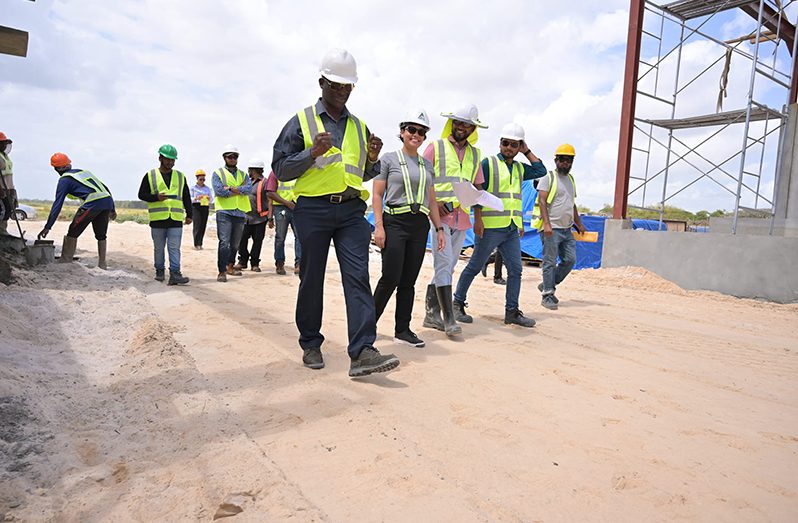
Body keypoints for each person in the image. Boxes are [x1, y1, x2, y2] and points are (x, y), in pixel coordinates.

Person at [272, 48, 399, 378]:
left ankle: (362, 351)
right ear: (322, 83)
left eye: (347, 87)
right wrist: (312, 152)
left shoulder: (359, 126)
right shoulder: (301, 122)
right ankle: (311, 343)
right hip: (311, 210)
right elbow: (281, 170)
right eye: (336, 85)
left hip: (351, 213)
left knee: (357, 277)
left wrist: (372, 160)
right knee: (311, 278)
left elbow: (360, 173)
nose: (342, 92)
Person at [453, 123, 547, 328]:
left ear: (519, 146)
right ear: (500, 143)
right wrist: (477, 220)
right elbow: (478, 192)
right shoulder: (488, 164)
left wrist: (527, 151)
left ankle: (511, 312)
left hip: (512, 228)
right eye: (506, 143)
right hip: (489, 227)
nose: (509, 148)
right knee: (475, 266)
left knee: (515, 270)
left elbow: (541, 170)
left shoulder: (521, 168)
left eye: (514, 145)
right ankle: (457, 303)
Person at [372, 109, 446, 348]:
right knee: (390, 277)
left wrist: (439, 229)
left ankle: (402, 330)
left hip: (419, 225)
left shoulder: (427, 165)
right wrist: (379, 228)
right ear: (402, 132)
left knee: (408, 281)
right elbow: (377, 194)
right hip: (394, 222)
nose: (416, 135)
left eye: (421, 132)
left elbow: (431, 199)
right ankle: (367, 324)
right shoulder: (388, 159)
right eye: (412, 130)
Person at [421, 104, 487, 337]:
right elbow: (421, 178)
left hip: (462, 218)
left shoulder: (475, 154)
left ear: (472, 128)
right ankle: (448, 319)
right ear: (452, 123)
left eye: (466, 124)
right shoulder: (435, 147)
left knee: (447, 265)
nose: (461, 127)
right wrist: (432, 203)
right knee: (443, 263)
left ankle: (431, 313)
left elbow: (478, 187)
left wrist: (478, 218)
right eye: (458, 123)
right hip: (439, 217)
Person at [37, 153, 116, 269]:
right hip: (107, 201)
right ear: (69, 164)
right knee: (101, 234)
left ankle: (66, 259)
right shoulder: (83, 172)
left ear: (57, 168)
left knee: (73, 230)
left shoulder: (64, 180)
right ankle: (102, 264)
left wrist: (48, 226)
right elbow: (105, 188)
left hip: (93, 203)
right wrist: (112, 208)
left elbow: (57, 204)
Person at [533, 143, 586, 310]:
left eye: (569, 160)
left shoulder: (571, 179)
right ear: (556, 160)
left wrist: (579, 223)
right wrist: (547, 224)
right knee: (549, 261)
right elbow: (542, 201)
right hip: (551, 228)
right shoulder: (548, 178)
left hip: (566, 228)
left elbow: (572, 204)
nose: (565, 163)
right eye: (562, 160)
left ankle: (548, 284)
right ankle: (547, 295)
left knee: (570, 260)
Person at [138, 144, 192, 285]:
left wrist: (189, 214)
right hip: (158, 219)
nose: (170, 163)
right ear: (160, 158)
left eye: (173, 160)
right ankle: (160, 272)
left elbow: (186, 197)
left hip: (175, 219)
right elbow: (141, 194)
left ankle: (175, 274)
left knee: (174, 248)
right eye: (168, 159)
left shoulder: (180, 176)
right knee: (159, 248)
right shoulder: (150, 175)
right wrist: (156, 197)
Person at [212, 145, 253, 282]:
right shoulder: (218, 173)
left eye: (235, 157)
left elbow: (248, 189)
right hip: (224, 211)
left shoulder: (243, 174)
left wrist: (230, 188)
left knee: (235, 244)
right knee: (224, 243)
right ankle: (221, 271)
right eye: (230, 156)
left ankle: (230, 266)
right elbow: (219, 192)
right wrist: (237, 190)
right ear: (225, 158)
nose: (233, 159)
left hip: (240, 213)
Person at [234, 158, 270, 272]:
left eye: (250, 170)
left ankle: (255, 263)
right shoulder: (246, 182)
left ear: (254, 170)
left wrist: (270, 217)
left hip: (260, 218)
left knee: (257, 241)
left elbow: (269, 199)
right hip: (245, 218)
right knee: (241, 240)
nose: (248, 172)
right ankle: (242, 261)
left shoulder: (265, 182)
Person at [266, 170, 302, 275]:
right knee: (280, 237)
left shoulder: (300, 170)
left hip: (297, 207)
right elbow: (270, 193)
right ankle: (279, 263)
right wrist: (286, 203)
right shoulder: (275, 172)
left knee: (299, 237)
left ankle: (299, 264)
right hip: (281, 207)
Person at [190, 169, 213, 249]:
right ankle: (196, 244)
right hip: (196, 207)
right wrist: (197, 198)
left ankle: (200, 243)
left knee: (203, 225)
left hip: (205, 206)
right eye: (201, 179)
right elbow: (190, 198)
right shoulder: (193, 188)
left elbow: (212, 199)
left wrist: (208, 198)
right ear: (197, 178)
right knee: (197, 225)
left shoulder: (207, 188)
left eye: (204, 179)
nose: (202, 181)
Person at [0, 131, 16, 236]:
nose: (4, 145)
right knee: (2, 210)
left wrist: (12, 189)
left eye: (5, 143)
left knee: (8, 210)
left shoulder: (5, 156)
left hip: (8, 188)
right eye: (2, 143)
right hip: (1, 189)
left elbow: (8, 174)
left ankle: (2, 231)